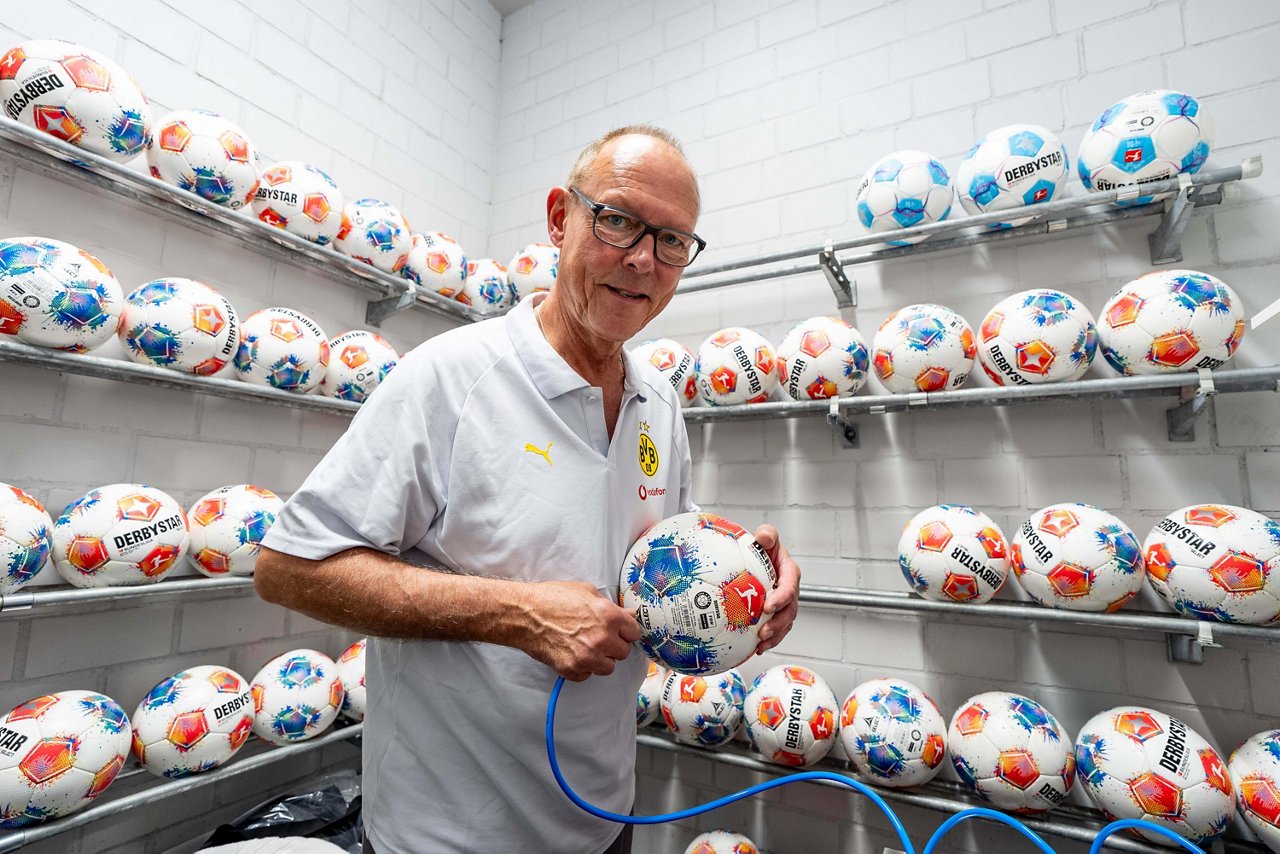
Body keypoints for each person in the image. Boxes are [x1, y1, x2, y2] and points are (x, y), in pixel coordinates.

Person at [255, 125, 801, 854]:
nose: (642, 259)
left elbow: (646, 549)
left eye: (673, 241)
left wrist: (744, 578)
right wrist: (517, 613)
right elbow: (289, 568)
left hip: (605, 818)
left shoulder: (661, 401)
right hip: (448, 837)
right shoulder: (449, 377)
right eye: (617, 220)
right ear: (559, 218)